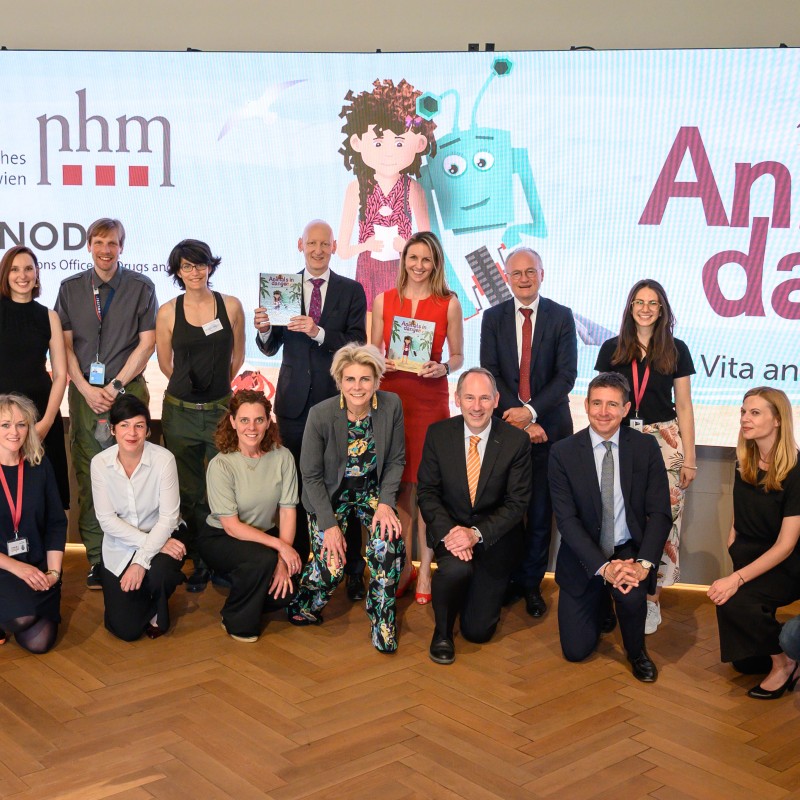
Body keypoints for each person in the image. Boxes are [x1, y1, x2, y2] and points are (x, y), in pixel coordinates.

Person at [254, 219, 367, 593]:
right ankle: (301, 563)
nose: (317, 250)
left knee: (343, 485)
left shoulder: (351, 290)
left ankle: (351, 568)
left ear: (335, 246)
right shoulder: (282, 288)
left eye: (324, 244)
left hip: (337, 405)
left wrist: (317, 331)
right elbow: (270, 347)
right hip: (293, 407)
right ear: (300, 244)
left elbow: (357, 343)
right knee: (299, 487)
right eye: (311, 243)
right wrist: (265, 329)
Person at [549, 372, 672, 682]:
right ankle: (602, 599)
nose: (603, 412)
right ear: (587, 405)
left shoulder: (645, 448)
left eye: (613, 404)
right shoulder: (563, 452)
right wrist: (603, 568)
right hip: (584, 556)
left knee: (631, 598)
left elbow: (659, 513)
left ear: (626, 408)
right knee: (575, 651)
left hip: (628, 552)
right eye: (597, 403)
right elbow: (567, 521)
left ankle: (637, 652)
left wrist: (644, 564)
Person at [55, 218, 157, 588]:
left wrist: (114, 386)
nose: (105, 250)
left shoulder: (142, 287)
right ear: (89, 246)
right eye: (99, 242)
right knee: (90, 474)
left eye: (112, 243)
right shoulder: (69, 289)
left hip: (127, 393)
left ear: (122, 247)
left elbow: (147, 344)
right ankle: (98, 558)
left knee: (135, 475)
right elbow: (64, 346)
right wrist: (83, 387)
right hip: (84, 397)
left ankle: (138, 552)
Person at [287, 344, 405, 653]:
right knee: (333, 566)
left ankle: (382, 622)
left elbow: (396, 461)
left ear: (377, 380)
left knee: (388, 548)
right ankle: (305, 604)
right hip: (329, 495)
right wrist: (329, 526)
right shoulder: (321, 414)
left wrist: (385, 504)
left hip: (372, 493)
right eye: (350, 379)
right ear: (339, 380)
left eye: (365, 379)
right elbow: (310, 476)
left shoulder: (391, 406)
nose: (357, 387)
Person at [480, 247, 577, 618]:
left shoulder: (561, 317)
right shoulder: (492, 318)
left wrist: (532, 412)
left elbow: (565, 377)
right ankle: (505, 581)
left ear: (542, 273)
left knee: (540, 514)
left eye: (530, 271)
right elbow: (490, 372)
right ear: (506, 277)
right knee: (504, 513)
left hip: (550, 431)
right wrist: (519, 417)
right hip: (504, 429)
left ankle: (531, 585)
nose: (523, 278)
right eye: (516, 272)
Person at [595, 279, 696, 634]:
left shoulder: (676, 349)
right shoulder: (611, 347)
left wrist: (690, 458)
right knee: (617, 514)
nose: (646, 308)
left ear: (662, 309)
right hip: (619, 436)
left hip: (664, 439)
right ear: (630, 307)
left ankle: (652, 600)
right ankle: (614, 594)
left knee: (662, 520)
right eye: (639, 301)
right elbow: (600, 402)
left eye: (653, 303)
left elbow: (683, 406)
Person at [371, 231, 464, 604]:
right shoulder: (383, 300)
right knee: (398, 487)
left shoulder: (449, 303)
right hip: (392, 400)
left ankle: (426, 568)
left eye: (427, 259)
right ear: (404, 260)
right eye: (414, 258)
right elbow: (370, 352)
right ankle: (403, 566)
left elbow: (457, 357)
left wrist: (443, 368)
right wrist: (381, 362)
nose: (419, 266)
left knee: (427, 487)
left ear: (435, 263)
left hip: (430, 400)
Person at [417, 368, 531, 665]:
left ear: (496, 400)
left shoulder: (515, 442)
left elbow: (517, 503)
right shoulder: (438, 434)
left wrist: (475, 533)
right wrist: (453, 533)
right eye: (469, 397)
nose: (476, 406)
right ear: (457, 399)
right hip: (450, 533)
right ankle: (441, 633)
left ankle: (484, 589)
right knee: (455, 571)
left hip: (494, 539)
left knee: (477, 631)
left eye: (484, 398)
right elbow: (427, 493)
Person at [156, 239, 245, 592]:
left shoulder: (231, 306)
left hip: (220, 411)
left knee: (221, 491)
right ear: (178, 271)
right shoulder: (167, 311)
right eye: (187, 266)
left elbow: (236, 357)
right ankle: (199, 561)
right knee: (190, 492)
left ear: (211, 266)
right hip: (179, 414)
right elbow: (166, 364)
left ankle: (219, 559)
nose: (195, 272)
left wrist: (215, 388)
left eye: (200, 264)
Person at [709, 387, 800, 699]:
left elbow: (786, 545)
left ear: (777, 420)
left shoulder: (796, 470)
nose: (745, 419)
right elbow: (739, 513)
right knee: (745, 663)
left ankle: (784, 663)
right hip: (748, 555)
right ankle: (769, 644)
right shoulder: (744, 459)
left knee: (732, 599)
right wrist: (733, 543)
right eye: (743, 412)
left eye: (755, 413)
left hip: (786, 564)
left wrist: (736, 578)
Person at [198, 390, 301, 643]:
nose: (251, 428)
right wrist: (278, 551)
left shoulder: (283, 457)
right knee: (263, 562)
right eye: (244, 420)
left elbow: (288, 511)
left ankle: (249, 587)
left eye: (259, 419)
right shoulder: (221, 465)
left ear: (268, 422)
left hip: (264, 537)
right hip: (222, 537)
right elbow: (232, 527)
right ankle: (235, 618)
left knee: (288, 585)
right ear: (232, 422)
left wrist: (283, 559)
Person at [91, 395, 185, 641]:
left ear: (147, 429)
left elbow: (168, 518)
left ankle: (158, 608)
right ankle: (141, 601)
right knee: (125, 630)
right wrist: (152, 543)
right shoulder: (99, 464)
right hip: (120, 544)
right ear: (112, 429)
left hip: (162, 535)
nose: (132, 433)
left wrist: (141, 561)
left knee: (160, 572)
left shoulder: (164, 460)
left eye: (139, 425)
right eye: (124, 425)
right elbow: (107, 521)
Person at [337, 79, 436, 310]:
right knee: (369, 333)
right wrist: (366, 245)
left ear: (419, 143)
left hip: (403, 275)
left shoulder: (412, 189)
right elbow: (342, 250)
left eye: (400, 144)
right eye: (379, 143)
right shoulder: (356, 189)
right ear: (357, 143)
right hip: (367, 275)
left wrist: (408, 247)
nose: (389, 153)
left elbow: (430, 247)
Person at [0, 246, 70, 509]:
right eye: (15, 269)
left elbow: (61, 374)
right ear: (6, 274)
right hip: (2, 420)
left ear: (37, 274)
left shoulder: (49, 316)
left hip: (41, 415)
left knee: (48, 499)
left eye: (29, 268)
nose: (22, 275)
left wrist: (46, 423)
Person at [0, 394, 66, 654]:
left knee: (39, 643)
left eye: (21, 424)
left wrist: (53, 574)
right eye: (5, 424)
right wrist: (17, 568)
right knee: (23, 619)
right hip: (4, 565)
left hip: (37, 566)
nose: (14, 432)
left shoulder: (39, 465)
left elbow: (56, 524)